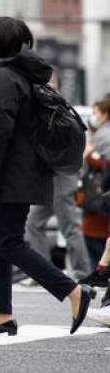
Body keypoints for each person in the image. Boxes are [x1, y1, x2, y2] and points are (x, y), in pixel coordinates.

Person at [0, 16, 94, 336]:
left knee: (8, 242)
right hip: (22, 174)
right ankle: (1, 313)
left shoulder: (2, 79)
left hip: (10, 178)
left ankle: (73, 291)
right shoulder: (22, 76)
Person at [24, 73, 91, 281]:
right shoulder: (49, 109)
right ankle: (43, 273)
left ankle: (83, 272)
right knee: (33, 224)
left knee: (69, 226)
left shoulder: (58, 110)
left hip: (63, 176)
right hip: (50, 177)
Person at [80, 98, 110, 285]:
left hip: (101, 193)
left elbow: (105, 163)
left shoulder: (105, 134)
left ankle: (99, 275)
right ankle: (99, 274)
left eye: (97, 113)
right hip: (98, 193)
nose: (94, 116)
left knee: (95, 235)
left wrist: (90, 155)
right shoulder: (100, 132)